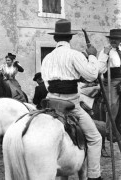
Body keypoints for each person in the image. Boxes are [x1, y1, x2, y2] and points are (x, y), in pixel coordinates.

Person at [41, 19, 102, 180]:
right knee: (96, 138)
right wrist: (92, 57)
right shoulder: (74, 55)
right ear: (70, 38)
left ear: (55, 39)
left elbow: (47, 84)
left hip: (50, 103)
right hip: (71, 105)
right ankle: (94, 175)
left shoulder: (47, 58)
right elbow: (92, 74)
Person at [98, 29, 121, 142]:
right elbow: (100, 69)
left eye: (116, 39)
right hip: (110, 81)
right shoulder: (105, 51)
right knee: (112, 104)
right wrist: (105, 55)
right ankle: (109, 131)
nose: (114, 41)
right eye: (112, 39)